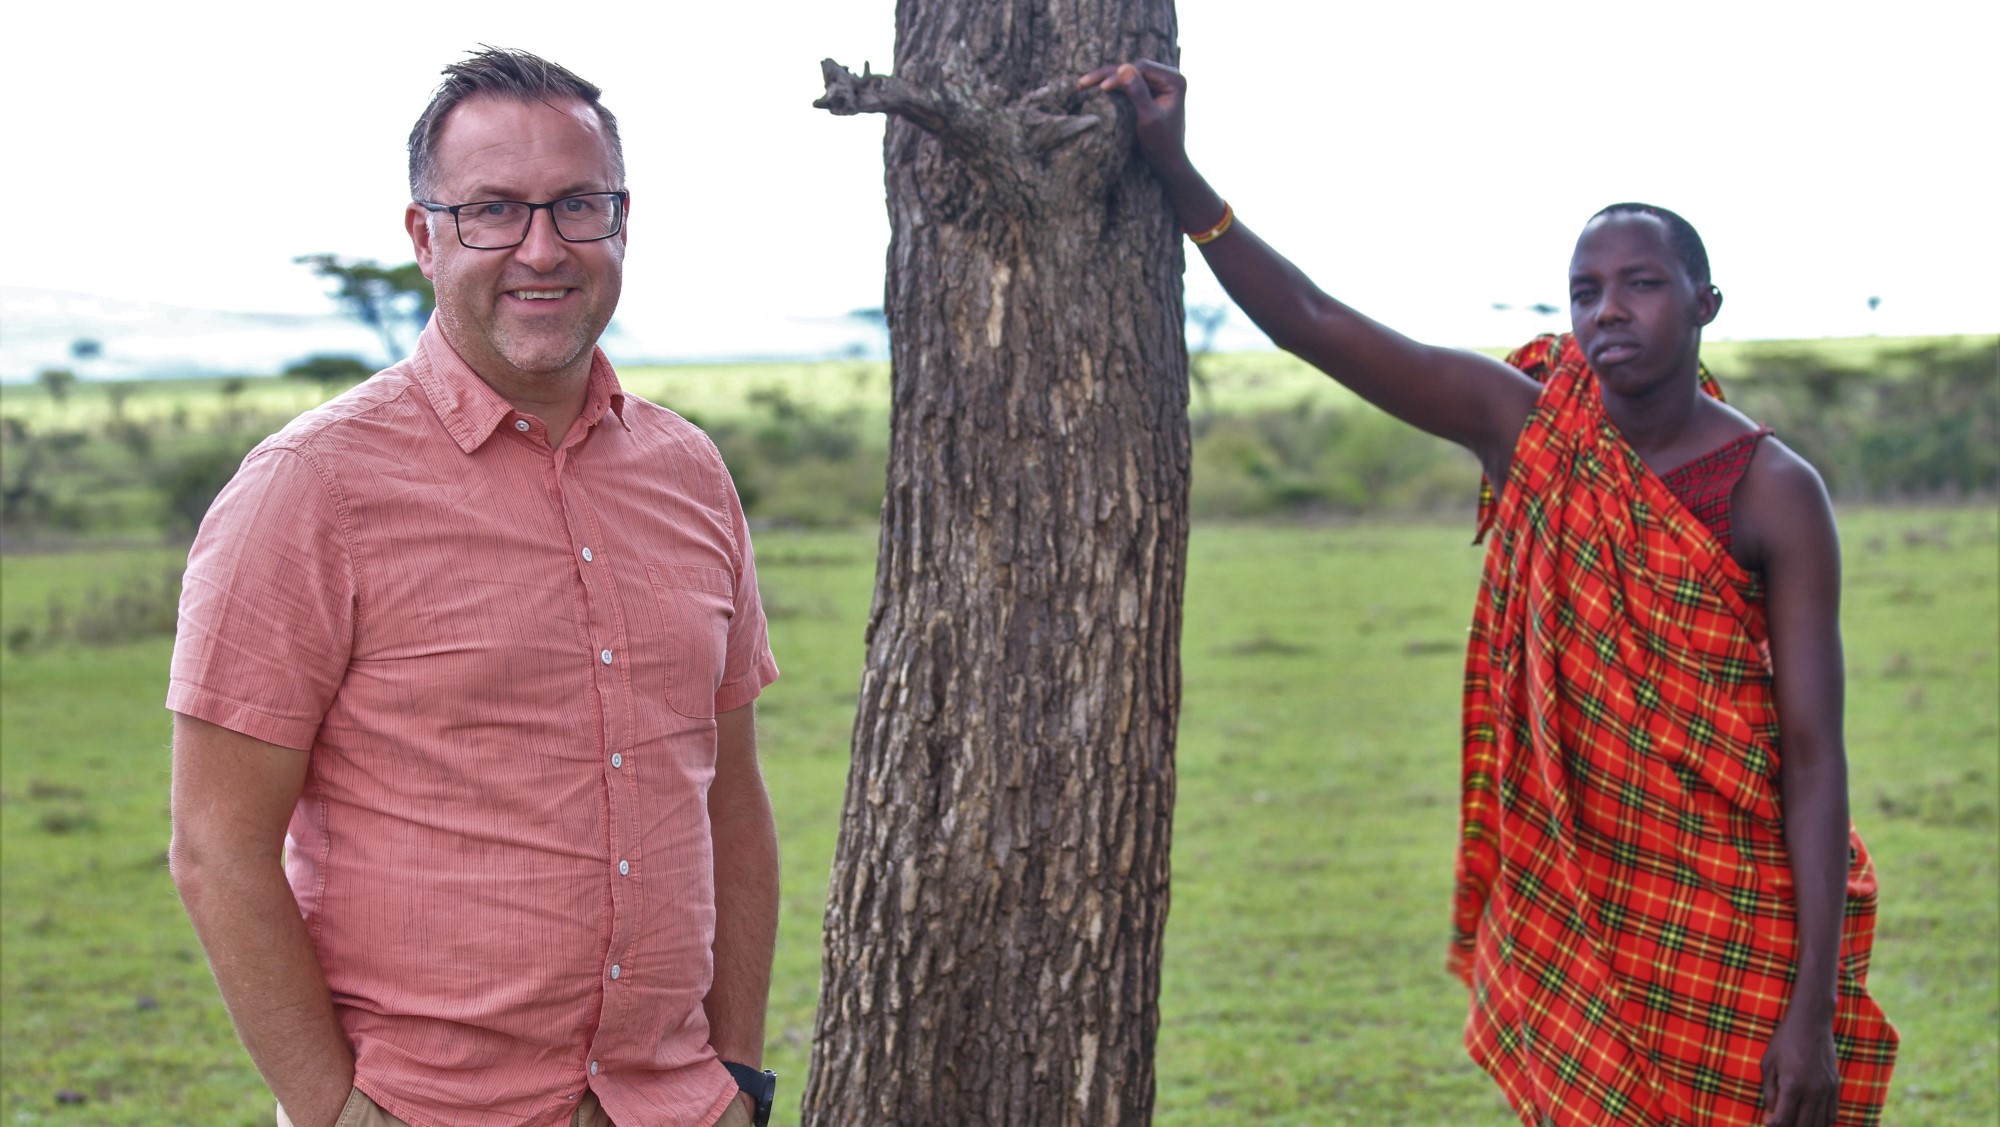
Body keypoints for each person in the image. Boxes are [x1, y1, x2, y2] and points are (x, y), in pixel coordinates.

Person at [1077, 60, 1899, 1127]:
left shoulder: (1775, 492)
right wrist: (1179, 175)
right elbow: (1313, 321)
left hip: (1733, 916)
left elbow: (1813, 751)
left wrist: (1811, 1010)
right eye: (1584, 289)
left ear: (1703, 303)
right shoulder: (1527, 425)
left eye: (1641, 283)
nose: (1608, 310)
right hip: (1580, 899)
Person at [168, 48, 780, 1127]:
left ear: (621, 221)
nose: (541, 248)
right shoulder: (308, 490)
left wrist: (733, 1073)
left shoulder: (688, 472)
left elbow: (728, 797)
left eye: (576, 205)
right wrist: (330, 1106)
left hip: (675, 1103)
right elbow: (217, 845)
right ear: (424, 234)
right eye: (493, 209)